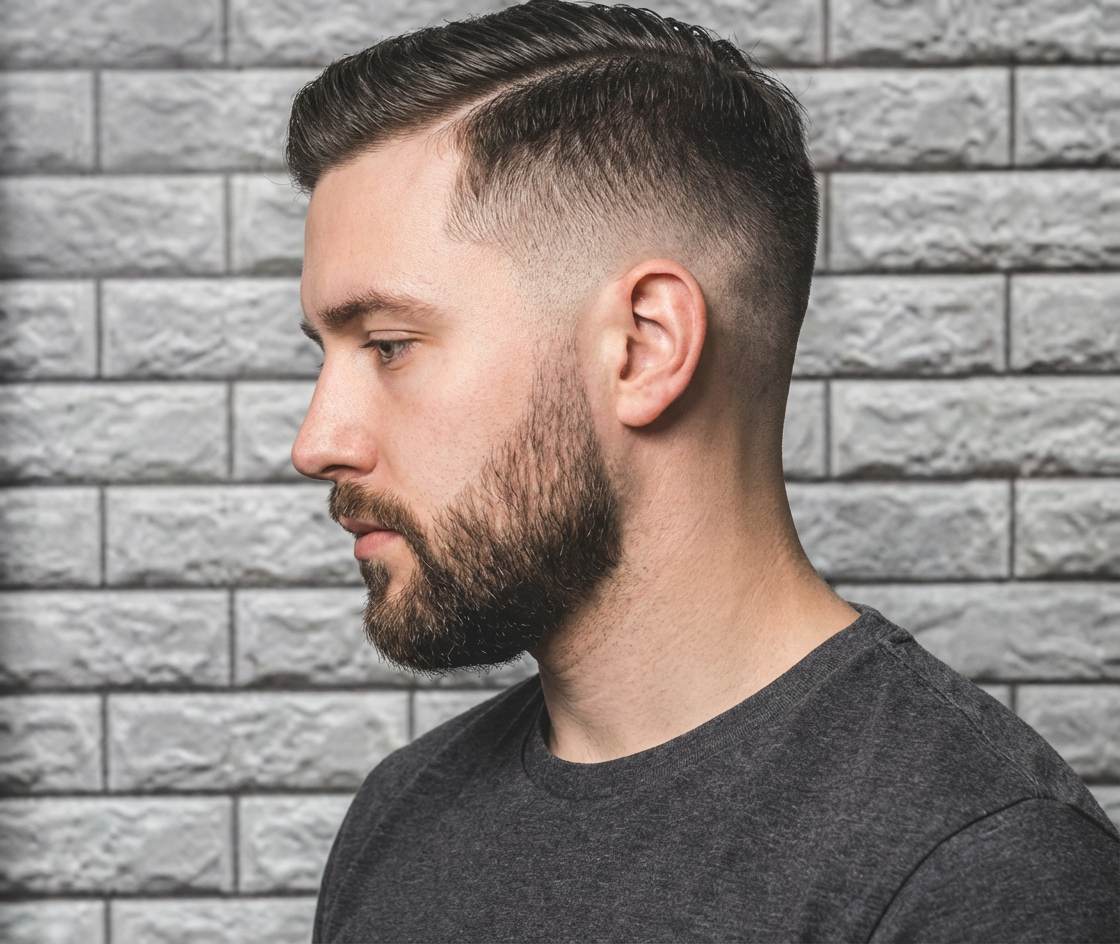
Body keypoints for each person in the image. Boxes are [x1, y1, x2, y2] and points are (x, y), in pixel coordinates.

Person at [287, 2, 1120, 940]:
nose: (317, 440)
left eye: (389, 345)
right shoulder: (404, 811)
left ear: (644, 347)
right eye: (325, 351)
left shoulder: (978, 871)